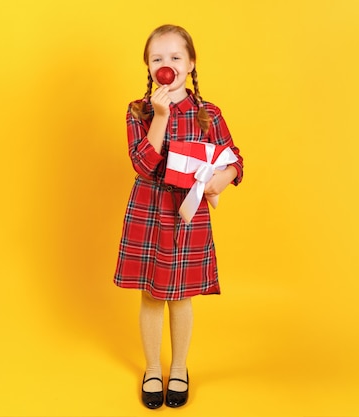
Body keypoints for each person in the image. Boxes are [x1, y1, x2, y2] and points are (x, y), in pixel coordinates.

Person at [113, 24, 244, 409]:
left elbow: (234, 157)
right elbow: (142, 163)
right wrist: (159, 115)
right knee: (152, 295)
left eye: (174, 57)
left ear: (190, 63)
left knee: (181, 296)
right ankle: (153, 367)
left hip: (188, 212)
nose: (166, 65)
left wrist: (221, 178)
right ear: (149, 67)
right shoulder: (138, 110)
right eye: (157, 59)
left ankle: (180, 368)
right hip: (150, 209)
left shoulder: (209, 113)